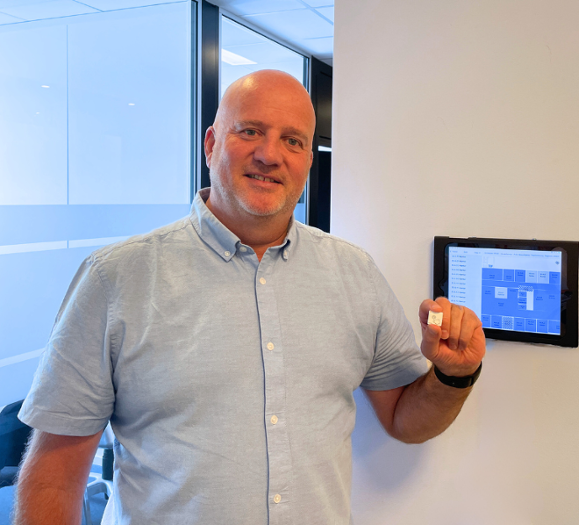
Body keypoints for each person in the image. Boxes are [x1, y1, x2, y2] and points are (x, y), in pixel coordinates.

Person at [14, 70, 485, 525]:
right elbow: (54, 478)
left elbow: (405, 420)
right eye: (250, 131)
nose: (269, 154)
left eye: (292, 141)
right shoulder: (115, 278)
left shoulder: (354, 274)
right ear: (211, 144)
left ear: (308, 162)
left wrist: (454, 375)